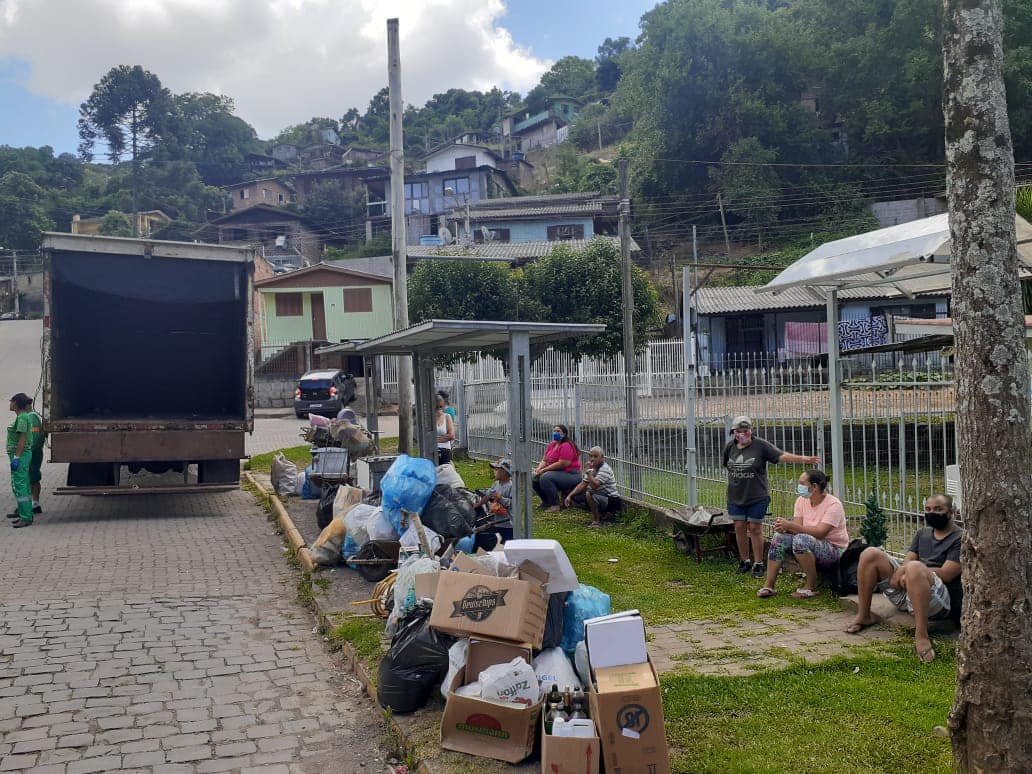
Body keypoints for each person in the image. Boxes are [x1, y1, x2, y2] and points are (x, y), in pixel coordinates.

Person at [844, 494, 962, 663]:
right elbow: (909, 558)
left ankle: (921, 635)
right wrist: (906, 571)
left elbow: (948, 573)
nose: (932, 513)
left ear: (952, 512)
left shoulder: (960, 537)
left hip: (938, 601)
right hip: (906, 589)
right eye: (928, 509)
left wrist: (913, 571)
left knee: (915, 567)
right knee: (870, 554)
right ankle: (864, 615)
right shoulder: (923, 533)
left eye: (938, 509)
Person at [723, 416, 820, 578]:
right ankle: (744, 560)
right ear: (733, 432)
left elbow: (780, 456)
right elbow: (728, 465)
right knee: (739, 527)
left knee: (755, 528)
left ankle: (759, 563)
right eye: (738, 432)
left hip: (757, 496)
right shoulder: (729, 447)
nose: (742, 434)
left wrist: (803, 459)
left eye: (745, 431)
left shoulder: (760, 446)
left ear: (751, 430)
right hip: (735, 496)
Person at [757, 469, 849, 599]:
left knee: (801, 540)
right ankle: (769, 585)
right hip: (809, 542)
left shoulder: (833, 505)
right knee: (779, 538)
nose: (799, 486)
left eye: (802, 483)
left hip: (834, 550)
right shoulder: (801, 501)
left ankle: (811, 586)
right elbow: (797, 527)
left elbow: (821, 532)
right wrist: (784, 528)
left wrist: (791, 525)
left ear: (815, 487)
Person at [564, 446, 621, 528]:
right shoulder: (593, 468)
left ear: (602, 458)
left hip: (611, 500)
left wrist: (588, 472)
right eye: (591, 456)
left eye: (595, 456)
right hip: (600, 495)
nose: (592, 459)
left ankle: (597, 521)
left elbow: (595, 486)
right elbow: (583, 484)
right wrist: (569, 496)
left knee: (589, 493)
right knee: (576, 495)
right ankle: (600, 514)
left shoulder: (605, 468)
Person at [532, 424, 582, 512]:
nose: (555, 433)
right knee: (534, 477)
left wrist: (544, 470)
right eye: (554, 431)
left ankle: (555, 505)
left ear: (564, 434)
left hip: (571, 474)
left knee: (546, 477)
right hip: (557, 473)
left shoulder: (566, 445)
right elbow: (545, 459)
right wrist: (538, 469)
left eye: (558, 431)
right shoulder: (552, 444)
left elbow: (563, 464)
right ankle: (546, 501)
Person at [6, 393, 35, 528]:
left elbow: (22, 439)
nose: (10, 404)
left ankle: (26, 516)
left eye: (11, 401)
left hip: (20, 455)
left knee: (20, 484)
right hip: (21, 454)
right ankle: (25, 512)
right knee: (23, 483)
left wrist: (16, 457)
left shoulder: (22, 418)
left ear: (16, 403)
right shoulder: (22, 417)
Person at [473, 458, 514, 551]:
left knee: (507, 546)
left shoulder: (511, 486)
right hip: (497, 522)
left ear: (504, 472)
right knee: (496, 544)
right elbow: (488, 496)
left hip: (508, 524)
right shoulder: (496, 484)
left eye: (497, 470)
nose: (495, 472)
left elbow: (512, 504)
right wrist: (478, 504)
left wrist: (501, 499)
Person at [435, 398, 455, 465]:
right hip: (432, 449)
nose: (439, 409)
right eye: (436, 407)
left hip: (445, 449)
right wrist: (444, 437)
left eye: (440, 407)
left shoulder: (447, 416)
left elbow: (451, 436)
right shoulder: (429, 418)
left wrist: (435, 440)